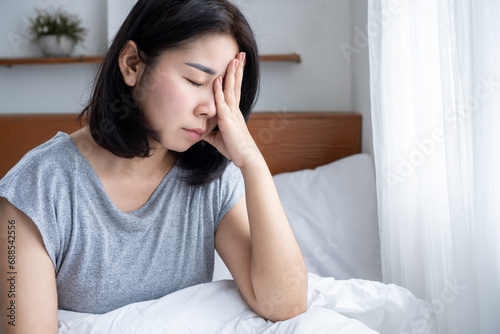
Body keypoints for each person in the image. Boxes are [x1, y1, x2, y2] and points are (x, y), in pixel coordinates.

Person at [0, 0, 307, 332]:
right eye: (195, 81)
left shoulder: (213, 181)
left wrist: (251, 162)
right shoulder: (35, 190)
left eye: (224, 92)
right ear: (133, 64)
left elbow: (284, 304)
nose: (211, 109)